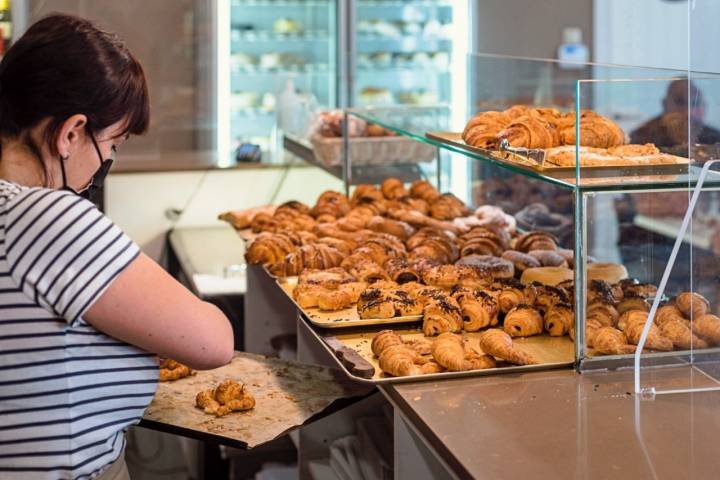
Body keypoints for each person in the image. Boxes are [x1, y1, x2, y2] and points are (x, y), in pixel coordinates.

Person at [0, 14, 234, 480]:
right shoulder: (45, 218)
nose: (107, 160)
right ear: (70, 133)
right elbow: (213, 342)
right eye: (112, 142)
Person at [630, 78, 720, 147]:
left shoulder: (715, 138)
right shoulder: (642, 136)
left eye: (694, 103)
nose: (688, 112)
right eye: (680, 102)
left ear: (705, 106)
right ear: (665, 105)